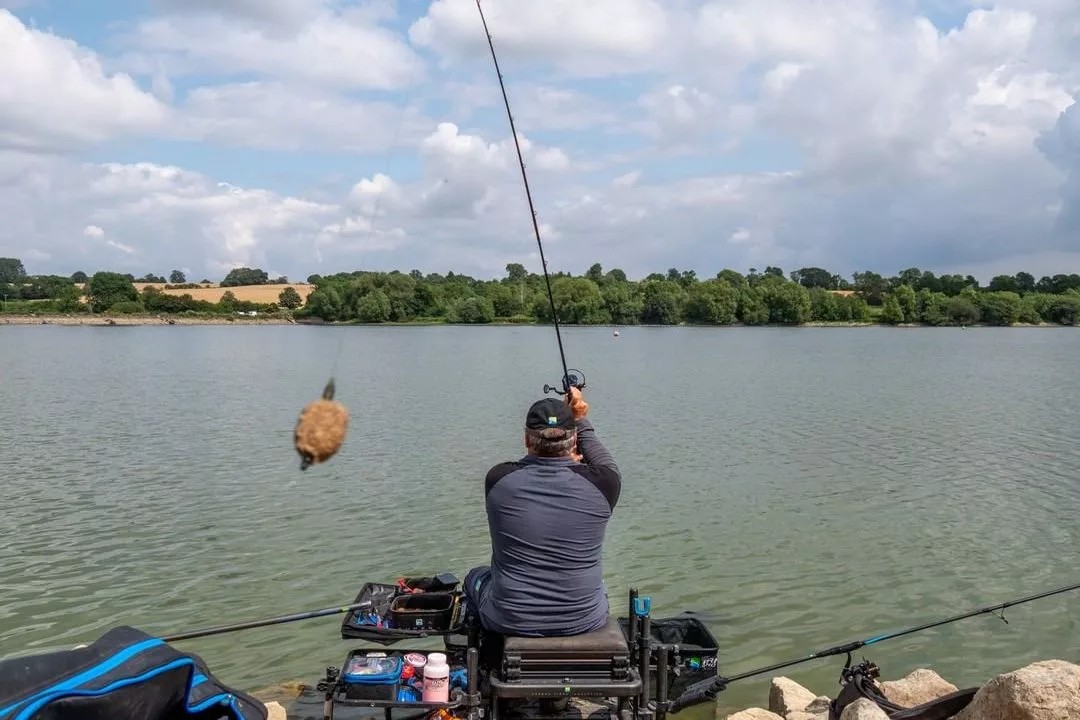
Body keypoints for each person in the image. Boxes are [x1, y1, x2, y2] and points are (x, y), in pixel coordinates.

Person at [464, 387, 621, 638]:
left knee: (475, 576)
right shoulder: (605, 484)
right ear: (574, 440)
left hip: (509, 618)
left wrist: (559, 455)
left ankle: (485, 651)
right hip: (585, 619)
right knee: (598, 586)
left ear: (527, 440)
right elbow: (602, 462)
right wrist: (580, 419)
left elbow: (526, 468)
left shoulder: (497, 479)